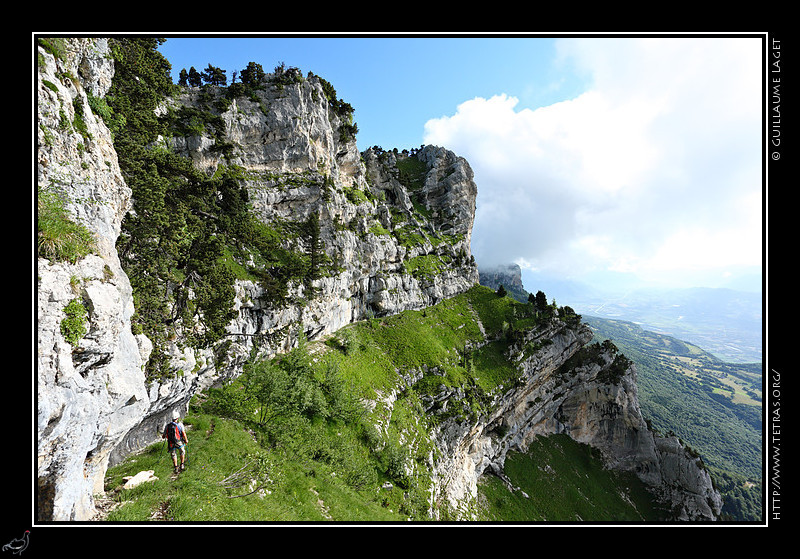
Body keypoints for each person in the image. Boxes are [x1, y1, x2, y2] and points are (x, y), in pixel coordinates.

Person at [162, 410, 188, 474]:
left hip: (171, 442)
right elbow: (183, 433)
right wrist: (186, 440)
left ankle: (176, 467)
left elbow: (163, 436)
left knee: (173, 454)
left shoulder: (167, 426)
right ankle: (182, 464)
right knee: (182, 452)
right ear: (177, 418)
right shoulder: (180, 425)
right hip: (178, 441)